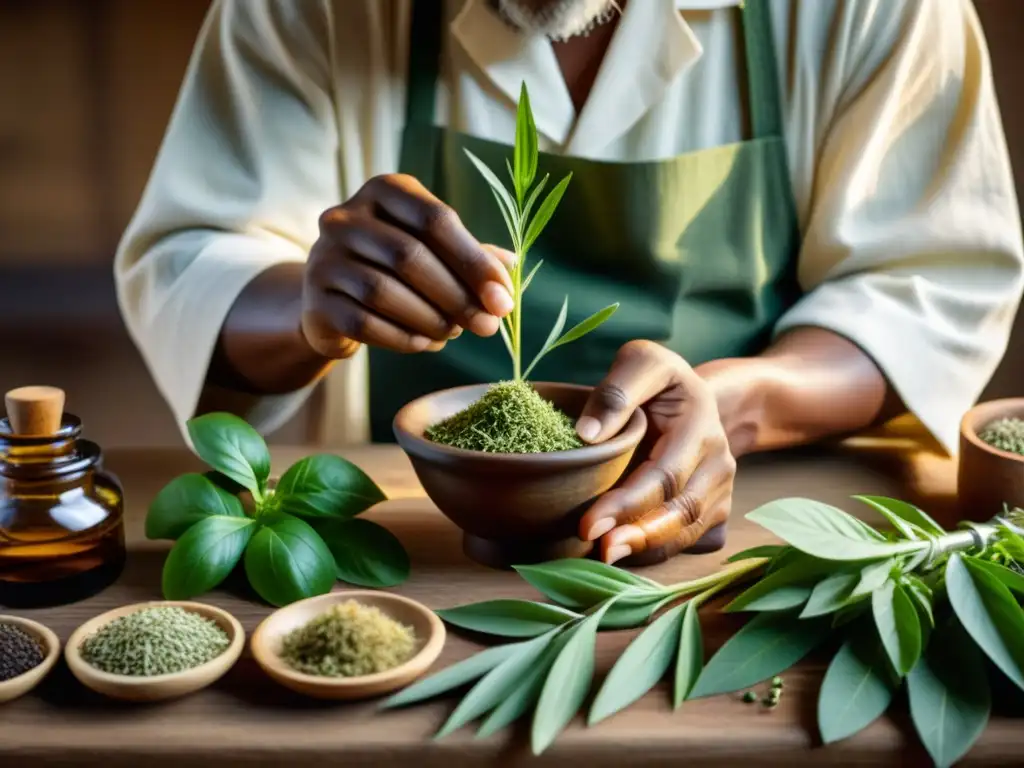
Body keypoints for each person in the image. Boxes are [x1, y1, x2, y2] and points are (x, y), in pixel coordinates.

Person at [116, 0, 1024, 565]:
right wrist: (313, 306)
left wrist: (728, 406)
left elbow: (922, 287)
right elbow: (195, 263)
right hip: (425, 545)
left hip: (751, 534)